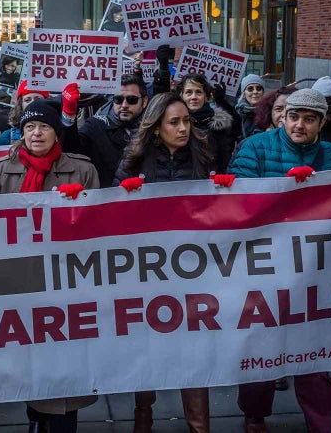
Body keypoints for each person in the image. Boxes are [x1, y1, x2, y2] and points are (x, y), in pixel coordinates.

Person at [229, 89, 331, 433]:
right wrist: (284, 193)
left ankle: (324, 426)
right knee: (260, 347)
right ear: (283, 117)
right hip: (264, 269)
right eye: (294, 116)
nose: (299, 124)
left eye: (309, 119)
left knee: (316, 354)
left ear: (322, 123)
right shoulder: (255, 148)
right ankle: (254, 414)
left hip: (314, 271)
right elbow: (241, 201)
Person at [0, 99, 98, 432]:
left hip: (68, 281)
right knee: (29, 359)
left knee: (64, 363)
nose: (36, 133)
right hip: (21, 283)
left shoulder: (83, 169)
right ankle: (37, 415)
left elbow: (98, 227)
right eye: (30, 127)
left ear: (56, 131)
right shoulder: (1, 172)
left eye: (44, 126)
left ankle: (60, 422)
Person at [114, 92, 214, 433]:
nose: (184, 128)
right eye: (175, 122)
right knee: (148, 349)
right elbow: (114, 211)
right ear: (156, 128)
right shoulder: (134, 160)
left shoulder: (203, 154)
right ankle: (143, 419)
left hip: (192, 273)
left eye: (186, 121)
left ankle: (199, 426)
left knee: (194, 352)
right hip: (148, 274)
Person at [63, 74, 149, 187]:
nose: (124, 105)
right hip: (106, 200)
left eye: (131, 100)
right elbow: (72, 151)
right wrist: (68, 116)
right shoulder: (96, 126)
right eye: (118, 99)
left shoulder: (153, 129)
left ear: (144, 101)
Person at [176, 73, 237, 174]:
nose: (194, 97)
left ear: (206, 97)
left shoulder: (218, 126)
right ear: (181, 95)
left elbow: (223, 161)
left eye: (198, 92)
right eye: (188, 92)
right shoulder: (173, 124)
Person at [0, 80, 50, 145]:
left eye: (38, 99)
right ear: (20, 105)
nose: (32, 103)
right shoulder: (6, 138)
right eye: (27, 100)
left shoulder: (59, 133)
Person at [236, 74, 265, 139]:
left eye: (258, 88)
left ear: (263, 92)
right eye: (250, 89)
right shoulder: (236, 114)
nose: (255, 92)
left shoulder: (269, 113)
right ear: (244, 93)